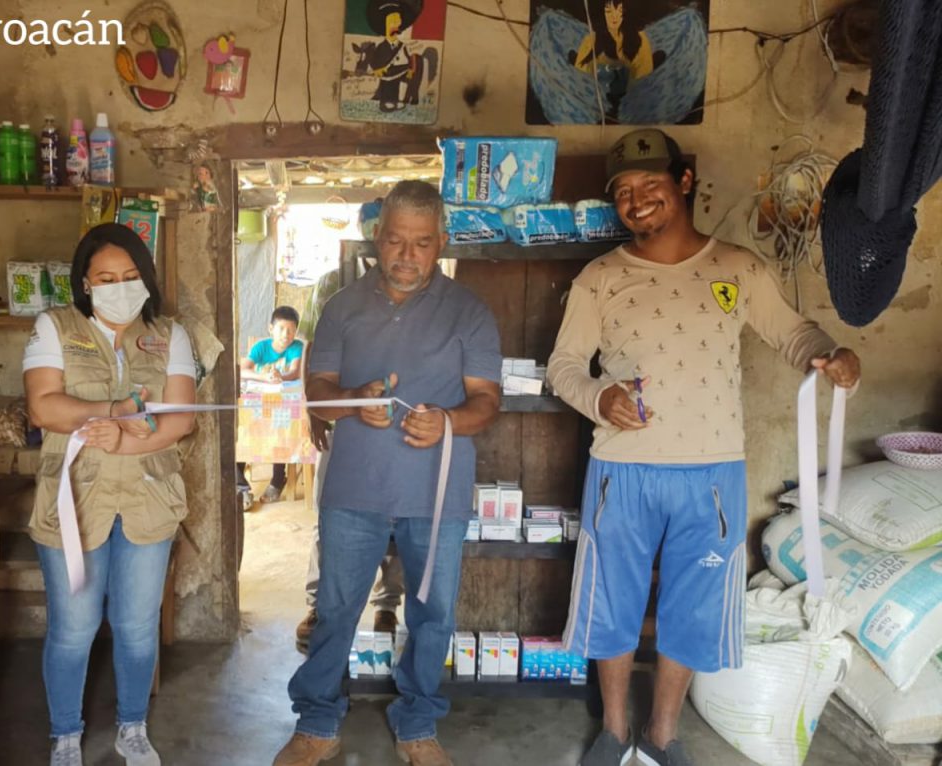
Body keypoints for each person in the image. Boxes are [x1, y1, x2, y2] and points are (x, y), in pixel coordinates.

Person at [547, 129, 861, 766]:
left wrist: (830, 354)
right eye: (623, 191)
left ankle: (663, 735)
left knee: (692, 607)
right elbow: (564, 367)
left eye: (651, 184)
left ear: (684, 182)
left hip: (712, 474)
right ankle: (614, 730)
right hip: (622, 471)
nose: (637, 200)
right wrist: (600, 398)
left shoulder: (737, 268)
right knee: (613, 602)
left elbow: (792, 333)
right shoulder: (599, 277)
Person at [273, 181, 502, 766]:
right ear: (378, 237)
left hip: (436, 492)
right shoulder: (342, 306)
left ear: (441, 242)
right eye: (396, 240)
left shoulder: (469, 312)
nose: (407, 255)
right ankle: (318, 721)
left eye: (422, 243)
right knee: (335, 608)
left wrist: (447, 422)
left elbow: (486, 402)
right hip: (355, 487)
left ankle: (418, 721)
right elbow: (318, 393)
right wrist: (354, 401)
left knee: (433, 614)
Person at [24, 223, 197, 766]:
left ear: (146, 279)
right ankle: (65, 735)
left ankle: (132, 728)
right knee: (73, 628)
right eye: (105, 278)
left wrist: (124, 442)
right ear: (85, 282)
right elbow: (43, 406)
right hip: (75, 501)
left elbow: (182, 419)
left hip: (149, 499)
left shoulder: (170, 334)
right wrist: (112, 412)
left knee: (137, 626)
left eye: (129, 276)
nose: (119, 287)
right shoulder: (54, 327)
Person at [295, 269, 405, 650]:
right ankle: (318, 604)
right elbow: (310, 348)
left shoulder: (415, 283)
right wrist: (313, 409)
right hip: (342, 419)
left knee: (396, 517)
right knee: (329, 513)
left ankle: (386, 605)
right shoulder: (332, 283)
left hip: (399, 423)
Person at [239, 306, 304, 503]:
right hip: (258, 404)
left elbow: (294, 372)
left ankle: (277, 479)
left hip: (282, 405)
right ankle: (240, 485)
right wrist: (264, 377)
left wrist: (280, 376)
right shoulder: (261, 347)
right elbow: (243, 370)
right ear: (271, 329)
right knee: (242, 428)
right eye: (281, 329)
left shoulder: (296, 347)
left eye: (291, 330)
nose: (286, 335)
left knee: (282, 429)